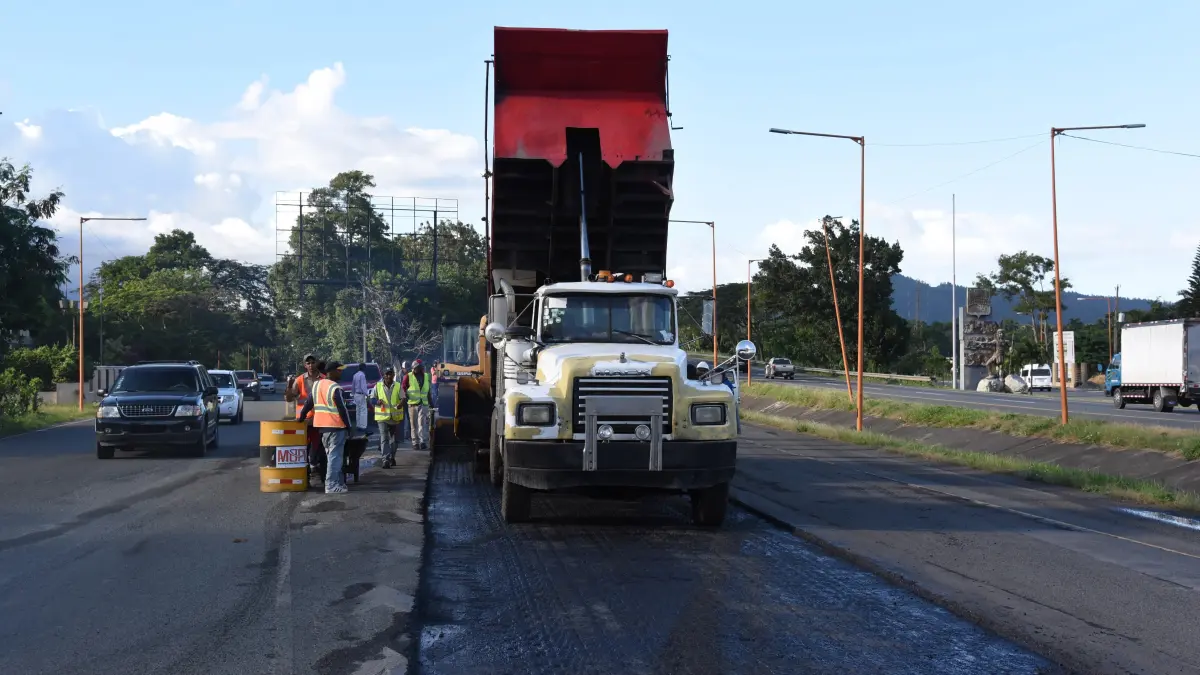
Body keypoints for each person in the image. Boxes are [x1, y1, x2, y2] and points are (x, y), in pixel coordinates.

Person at [299, 361, 351, 494]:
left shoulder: (317, 385)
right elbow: (342, 409)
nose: (341, 372)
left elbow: (308, 403)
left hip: (322, 428)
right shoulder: (334, 387)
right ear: (331, 372)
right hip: (336, 427)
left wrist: (301, 417)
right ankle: (331, 485)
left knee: (331, 457)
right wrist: (349, 426)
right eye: (339, 370)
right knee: (335, 457)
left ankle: (337, 483)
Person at [285, 354, 324, 468]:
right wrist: (289, 387)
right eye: (308, 363)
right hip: (303, 420)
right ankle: (305, 468)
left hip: (319, 419)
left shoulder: (323, 379)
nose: (311, 365)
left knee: (317, 445)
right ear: (305, 365)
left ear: (317, 363)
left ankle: (314, 465)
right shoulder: (299, 380)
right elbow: (289, 398)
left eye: (313, 362)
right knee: (303, 447)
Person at [372, 367, 405, 468]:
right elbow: (372, 399)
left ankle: (391, 457)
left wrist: (400, 404)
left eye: (390, 374)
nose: (388, 376)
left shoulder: (398, 386)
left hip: (394, 417)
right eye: (386, 374)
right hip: (382, 417)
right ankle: (385, 459)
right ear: (383, 375)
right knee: (384, 438)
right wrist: (377, 402)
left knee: (394, 440)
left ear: (393, 375)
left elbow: (403, 398)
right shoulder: (378, 386)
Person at [402, 359, 432, 450]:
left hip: (423, 404)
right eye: (419, 367)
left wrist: (431, 403)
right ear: (414, 368)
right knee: (414, 425)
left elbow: (428, 391)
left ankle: (422, 441)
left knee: (421, 423)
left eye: (421, 367)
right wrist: (405, 398)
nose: (421, 368)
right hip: (412, 404)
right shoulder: (408, 376)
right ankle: (415, 442)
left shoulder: (426, 376)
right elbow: (403, 389)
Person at [351, 363, 370, 437]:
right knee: (363, 410)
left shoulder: (355, 375)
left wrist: (353, 394)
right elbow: (363, 386)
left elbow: (353, 386)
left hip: (356, 394)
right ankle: (363, 426)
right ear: (364, 368)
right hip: (361, 394)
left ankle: (358, 425)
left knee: (358, 410)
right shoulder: (362, 375)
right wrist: (367, 394)